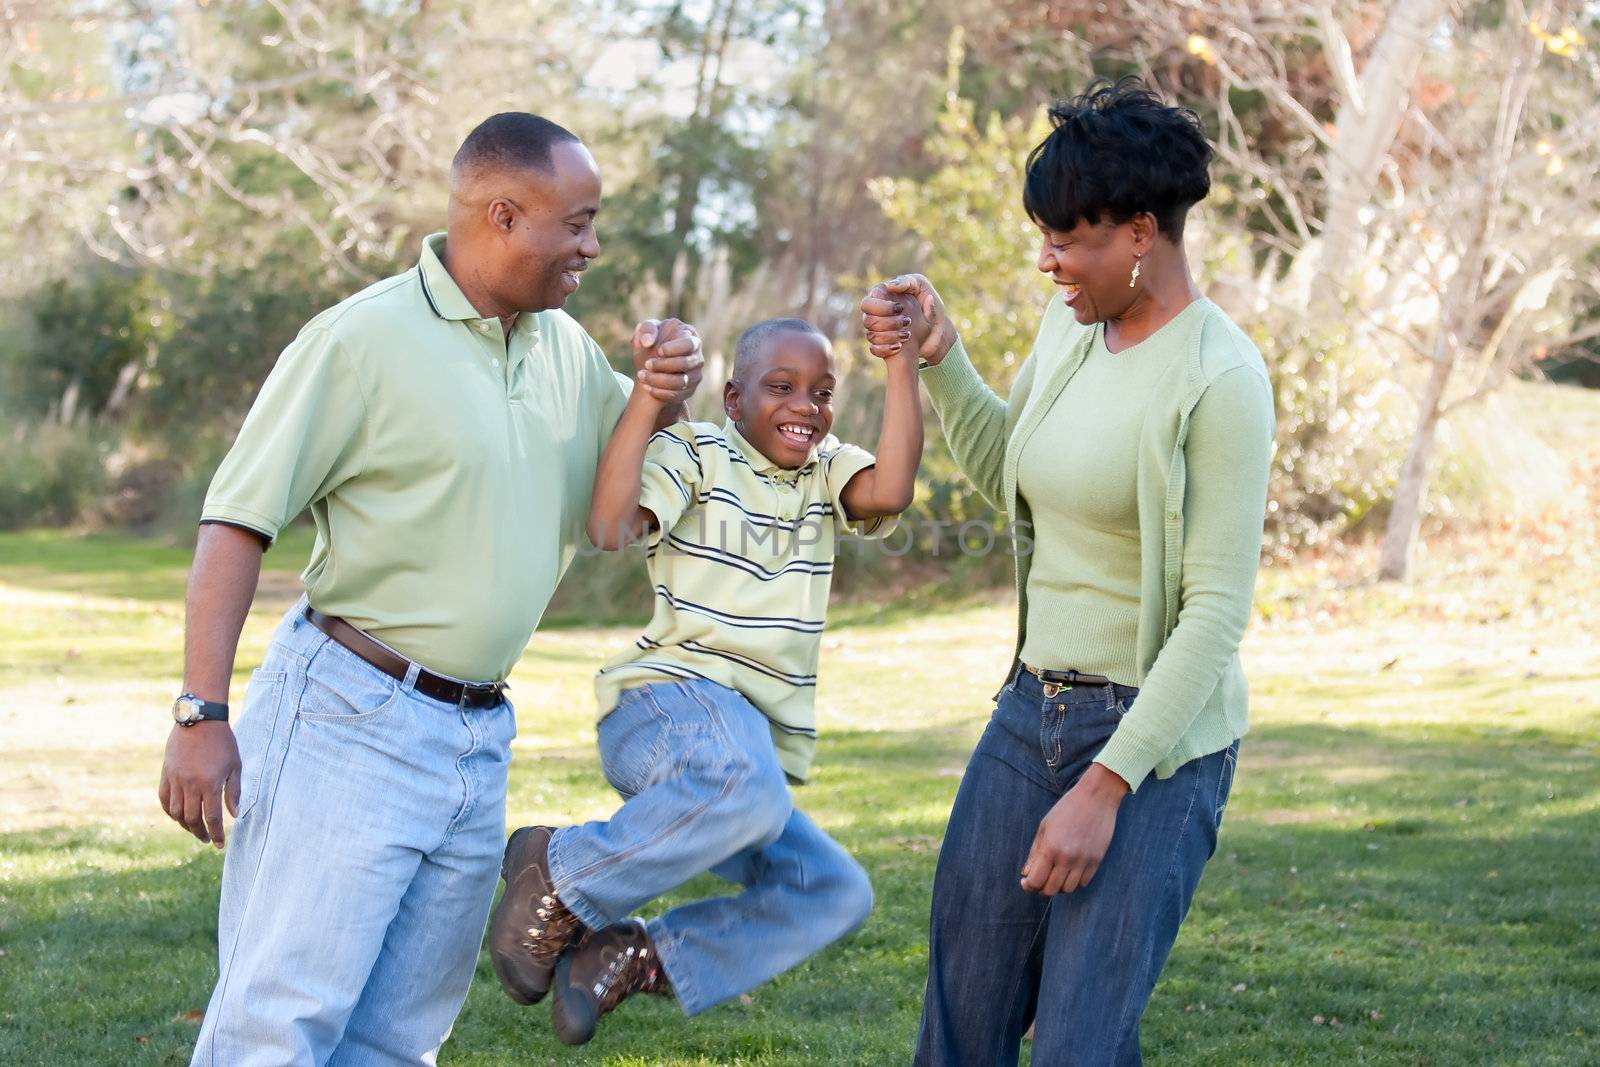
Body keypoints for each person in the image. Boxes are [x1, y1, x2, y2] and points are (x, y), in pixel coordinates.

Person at [156, 112, 706, 1066]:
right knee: (277, 1028)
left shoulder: (565, 351)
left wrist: (667, 383)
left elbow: (629, 495)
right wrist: (200, 711)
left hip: (477, 736)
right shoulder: (358, 340)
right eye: (575, 223)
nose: (592, 245)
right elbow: (235, 521)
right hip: (346, 717)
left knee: (400, 1039)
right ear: (502, 215)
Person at [860, 77, 1275, 1066]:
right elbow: (1014, 464)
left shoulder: (1220, 377)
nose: (1048, 261)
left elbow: (1216, 613)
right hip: (1026, 714)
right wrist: (941, 353)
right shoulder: (1071, 328)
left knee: (1078, 1048)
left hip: (1156, 748)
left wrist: (1105, 786)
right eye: (1041, 236)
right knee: (959, 1027)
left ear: (1140, 233)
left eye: (1067, 239)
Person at [487, 317, 922, 1044]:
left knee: (835, 889)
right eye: (781, 387)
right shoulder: (698, 451)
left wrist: (903, 362)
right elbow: (607, 524)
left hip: (737, 758)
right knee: (751, 786)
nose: (805, 406)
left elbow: (894, 488)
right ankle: (557, 871)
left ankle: (631, 954)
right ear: (733, 396)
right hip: (665, 704)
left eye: (822, 392)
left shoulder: (825, 471)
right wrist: (650, 398)